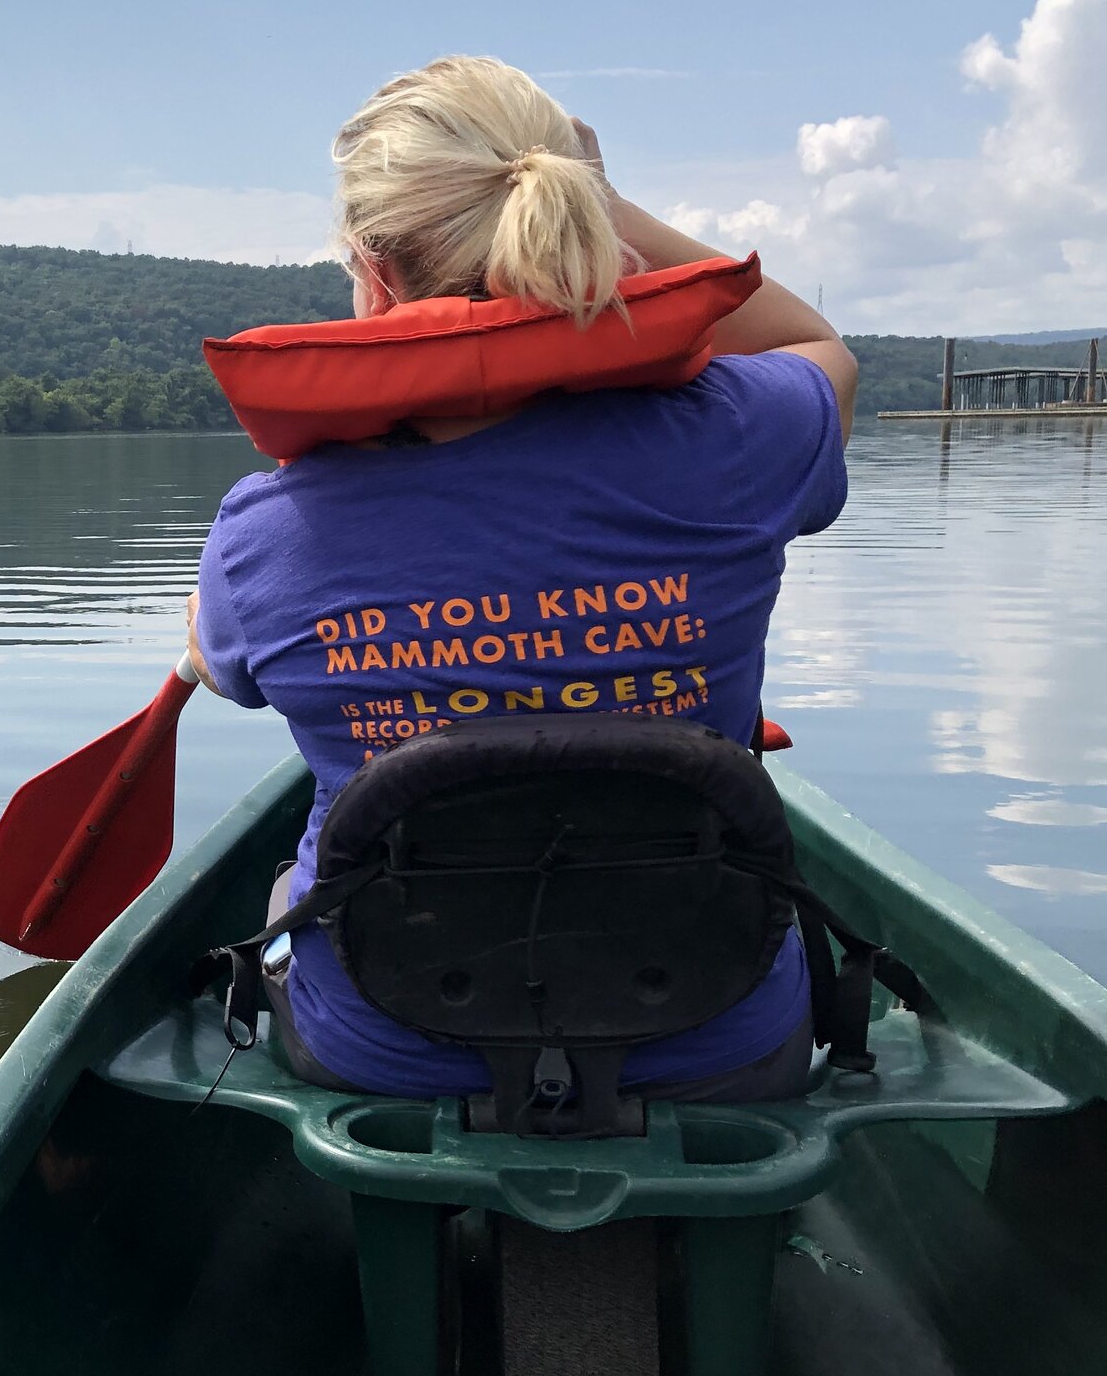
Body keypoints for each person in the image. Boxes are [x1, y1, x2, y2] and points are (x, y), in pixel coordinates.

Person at [186, 55, 856, 1104]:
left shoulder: (264, 530)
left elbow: (223, 670)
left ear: (372, 268)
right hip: (724, 1042)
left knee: (284, 882)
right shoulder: (741, 437)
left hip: (384, 1053)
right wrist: (610, 203)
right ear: (580, 223)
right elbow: (818, 347)